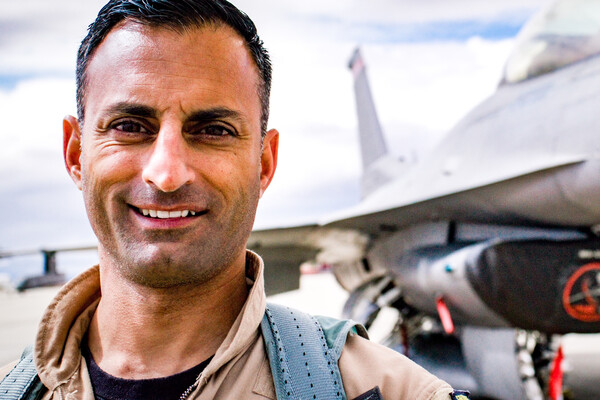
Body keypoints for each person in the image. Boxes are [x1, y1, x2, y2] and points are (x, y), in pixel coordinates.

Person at [0, 1, 467, 399]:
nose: (166, 174)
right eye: (129, 126)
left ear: (264, 164)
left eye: (213, 130)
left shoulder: (381, 388)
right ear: (76, 153)